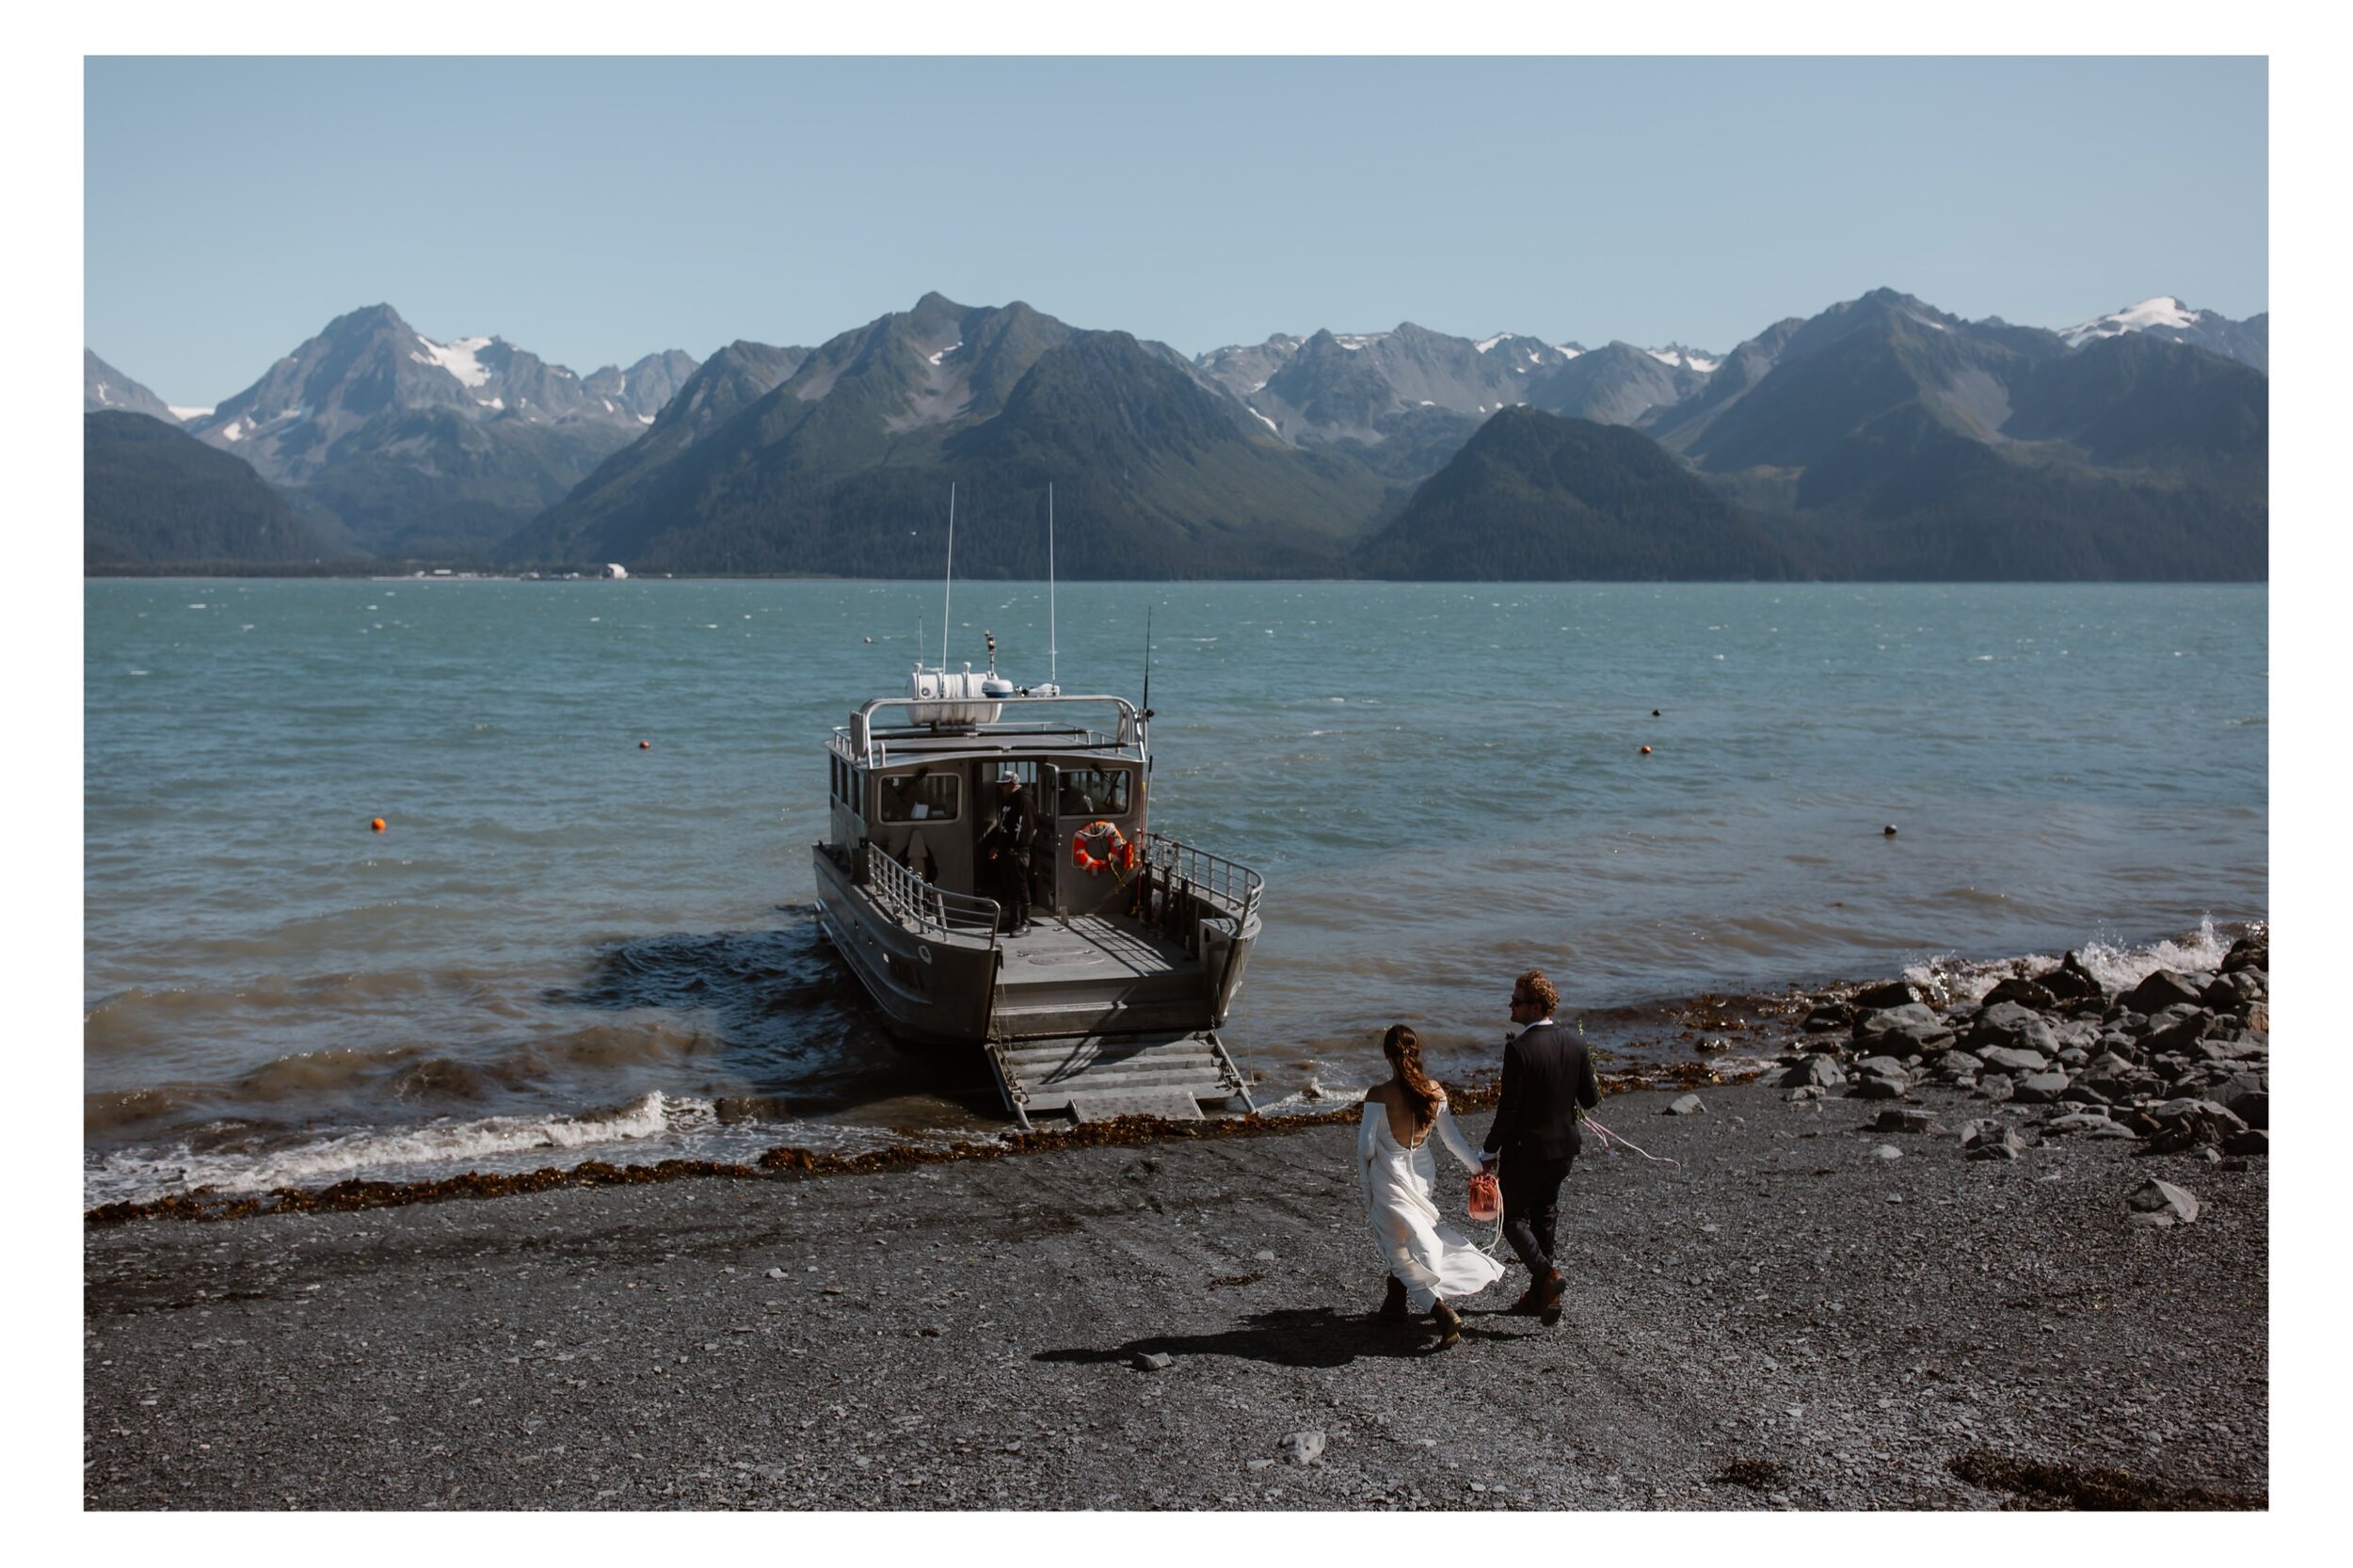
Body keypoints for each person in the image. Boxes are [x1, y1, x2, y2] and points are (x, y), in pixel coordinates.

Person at [1359, 1024, 1505, 1348]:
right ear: (1417, 1053)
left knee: (1397, 1248)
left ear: (1387, 1055)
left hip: (1390, 1176)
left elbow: (1366, 1149)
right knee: (1412, 1236)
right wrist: (1477, 1167)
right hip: (1423, 1174)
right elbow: (1452, 1139)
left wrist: (1366, 1189)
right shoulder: (1434, 1091)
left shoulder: (1378, 1095)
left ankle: (1441, 1313)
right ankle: (1394, 1306)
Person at [1479, 969, 1599, 1327]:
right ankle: (1539, 1295)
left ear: (1535, 1006)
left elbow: (1509, 1109)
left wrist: (1488, 1151)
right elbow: (1590, 1100)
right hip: (1564, 1149)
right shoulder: (1575, 1043)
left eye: (1516, 1000)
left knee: (1511, 1218)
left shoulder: (1518, 1050)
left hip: (1527, 1150)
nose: (1510, 1005)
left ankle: (1548, 1276)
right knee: (1545, 1214)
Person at [977, 770, 1032, 933]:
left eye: (1004, 785)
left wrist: (1017, 847)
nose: (1002, 788)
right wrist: (997, 846)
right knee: (1010, 886)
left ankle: (1025, 923)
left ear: (1013, 784)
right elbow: (1003, 826)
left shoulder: (1024, 800)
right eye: (1001, 785)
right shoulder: (1008, 801)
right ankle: (1013, 922)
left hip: (1018, 852)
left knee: (1021, 886)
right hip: (1007, 851)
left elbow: (1025, 827)